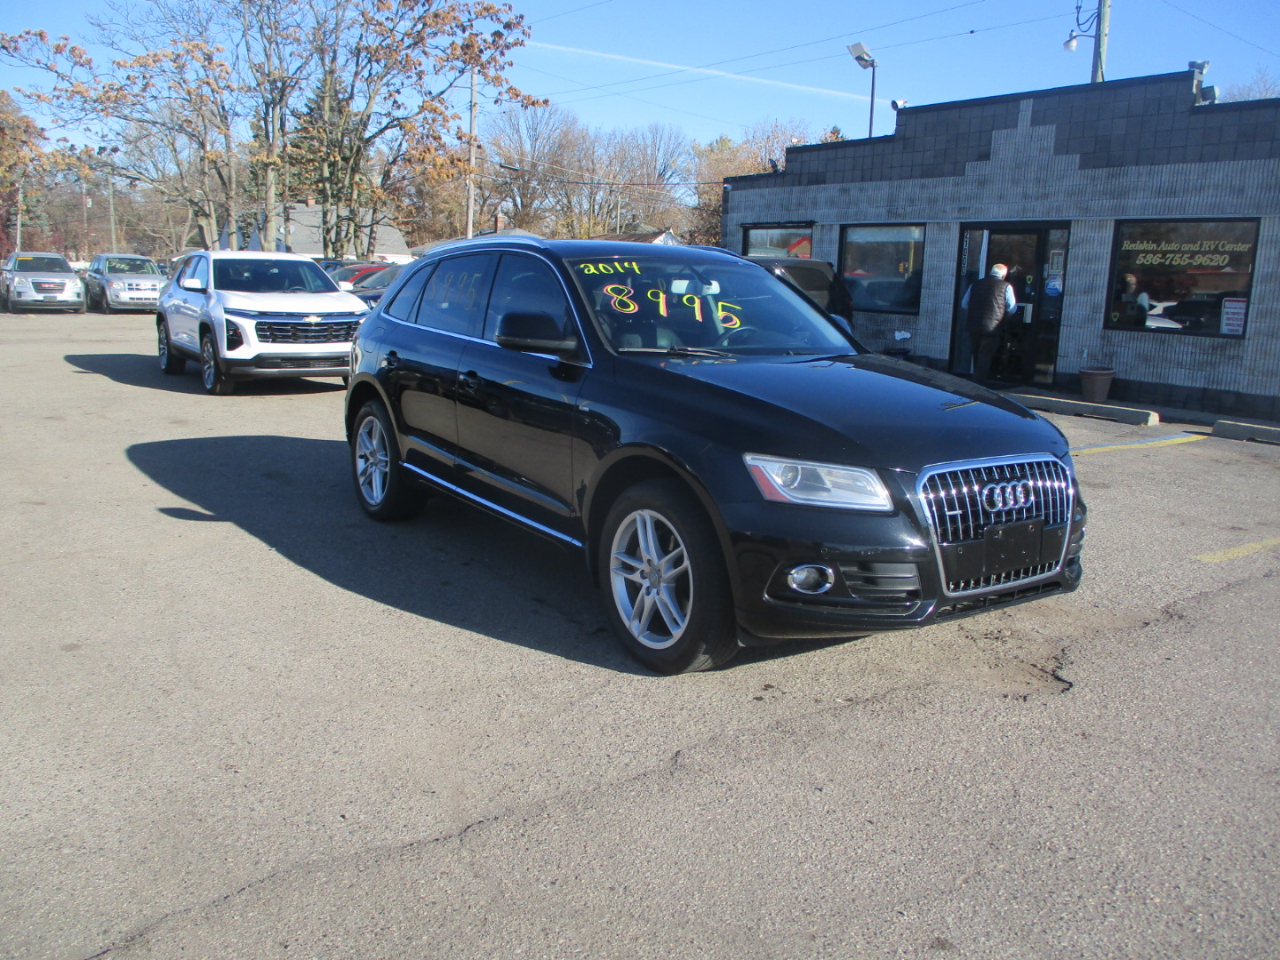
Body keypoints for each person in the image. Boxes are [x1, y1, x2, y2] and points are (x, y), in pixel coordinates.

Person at [961, 263, 1017, 386]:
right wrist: (1004, 316)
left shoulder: (975, 284)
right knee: (985, 356)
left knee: (975, 353)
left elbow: (964, 304)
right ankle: (979, 384)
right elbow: (1012, 308)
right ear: (1003, 274)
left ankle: (975, 380)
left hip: (974, 326)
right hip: (992, 328)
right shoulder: (1006, 286)